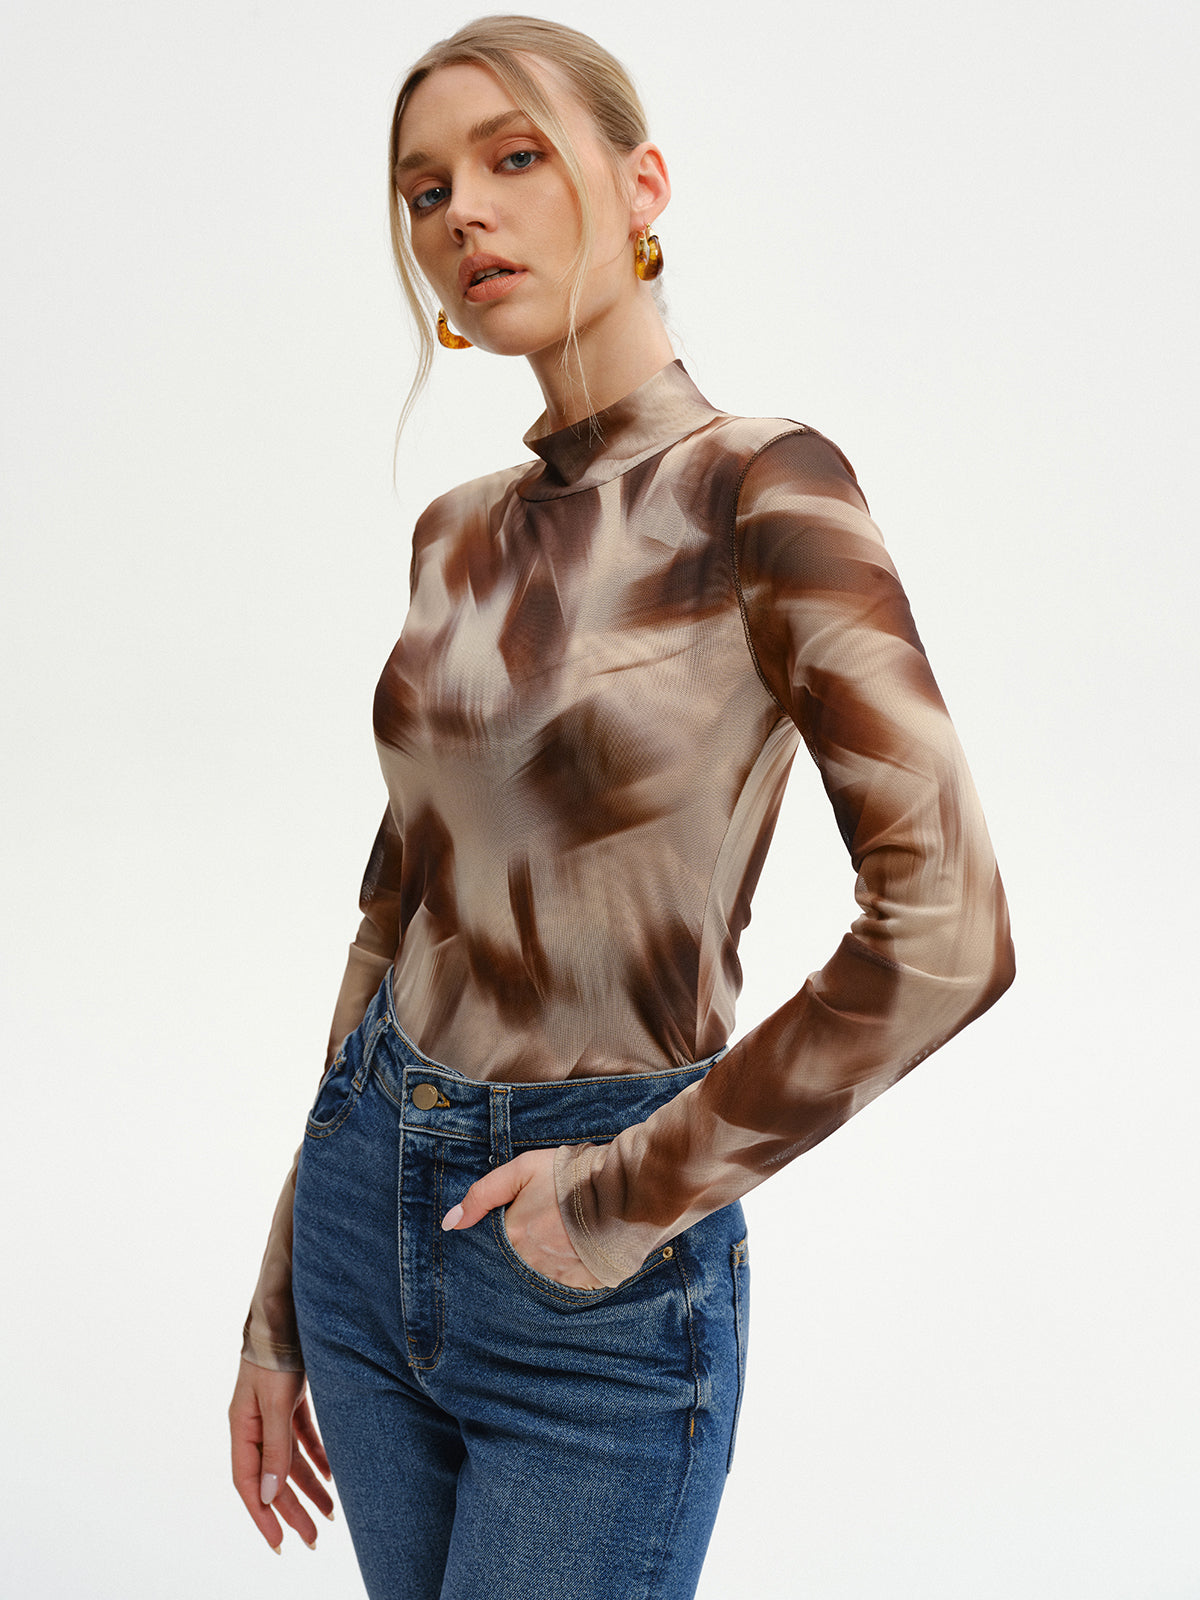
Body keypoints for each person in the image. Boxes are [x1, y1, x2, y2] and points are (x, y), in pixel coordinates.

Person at [228, 15, 1015, 1598]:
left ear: (641, 184)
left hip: (591, 1262)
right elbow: (399, 909)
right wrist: (281, 1294)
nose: (463, 212)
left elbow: (950, 932)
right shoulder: (455, 535)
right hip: (367, 1204)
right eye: (426, 189)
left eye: (514, 158)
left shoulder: (764, 491)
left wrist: (621, 1198)